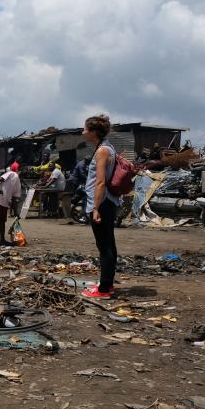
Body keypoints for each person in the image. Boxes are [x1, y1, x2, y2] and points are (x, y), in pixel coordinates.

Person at [80, 114, 121, 299]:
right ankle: (108, 284)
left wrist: (95, 208)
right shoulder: (107, 147)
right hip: (108, 202)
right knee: (109, 244)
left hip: (102, 203)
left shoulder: (102, 150)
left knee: (104, 246)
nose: (83, 132)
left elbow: (100, 182)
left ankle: (103, 289)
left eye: (85, 129)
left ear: (94, 132)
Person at [0, 162, 20, 245]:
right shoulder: (11, 174)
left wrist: (15, 212)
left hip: (4, 201)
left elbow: (14, 197)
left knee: (2, 220)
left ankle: (2, 240)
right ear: (18, 170)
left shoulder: (17, 181)